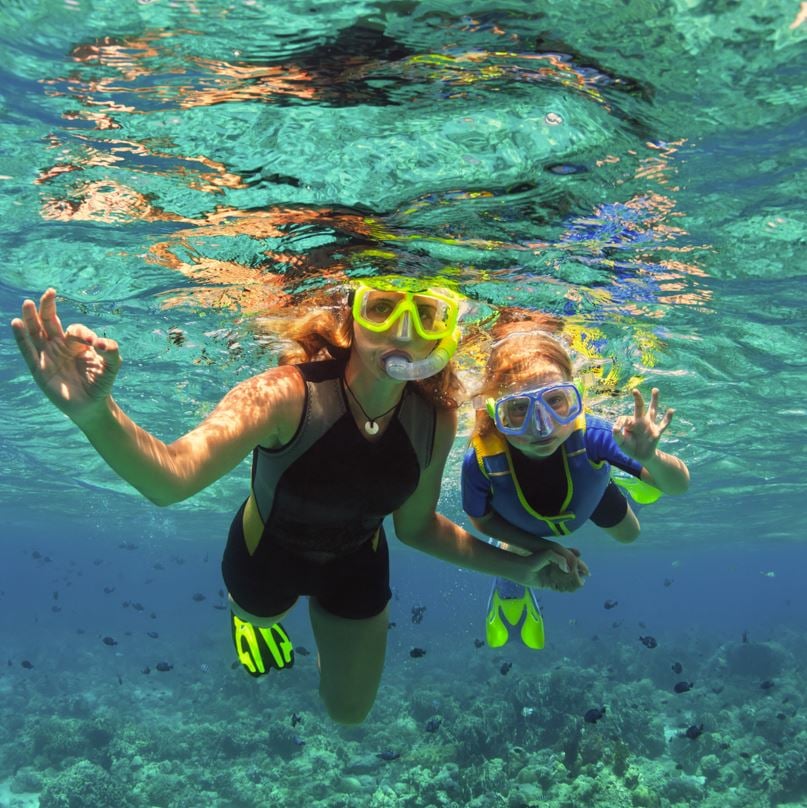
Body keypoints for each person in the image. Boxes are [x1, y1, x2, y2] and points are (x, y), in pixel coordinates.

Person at [11, 279, 566, 725]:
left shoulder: (437, 418)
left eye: (427, 314)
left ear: (445, 334)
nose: (403, 329)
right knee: (260, 613)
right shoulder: (283, 393)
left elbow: (417, 528)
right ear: (352, 321)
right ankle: (251, 620)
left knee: (349, 714)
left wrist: (523, 568)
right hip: (264, 557)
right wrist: (93, 414)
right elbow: (171, 479)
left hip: (357, 564)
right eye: (382, 308)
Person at [461, 322, 690, 649]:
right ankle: (509, 589)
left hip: (590, 494)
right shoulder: (481, 460)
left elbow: (679, 486)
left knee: (631, 534)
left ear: (575, 397)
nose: (541, 428)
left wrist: (651, 459)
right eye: (518, 410)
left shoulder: (593, 435)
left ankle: (630, 471)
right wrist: (544, 548)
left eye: (555, 401)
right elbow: (481, 521)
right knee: (515, 552)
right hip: (520, 524)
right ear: (494, 412)